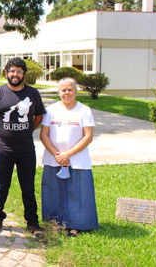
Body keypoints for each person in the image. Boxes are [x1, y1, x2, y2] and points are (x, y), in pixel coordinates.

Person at [0, 57, 46, 237]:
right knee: (2, 186)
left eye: (19, 71)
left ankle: (33, 223)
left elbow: (39, 118)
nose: (15, 74)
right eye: (12, 71)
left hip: (26, 149)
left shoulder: (33, 94)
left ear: (23, 74)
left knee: (28, 187)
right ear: (6, 73)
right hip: (3, 149)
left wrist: (27, 131)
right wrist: (0, 131)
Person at [39, 77, 99, 237]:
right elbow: (44, 134)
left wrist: (68, 154)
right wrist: (57, 154)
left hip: (78, 160)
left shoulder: (84, 110)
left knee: (77, 192)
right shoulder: (51, 110)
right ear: (59, 92)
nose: (67, 93)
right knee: (54, 191)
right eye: (63, 90)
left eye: (70, 89)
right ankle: (56, 222)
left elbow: (88, 137)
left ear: (76, 91)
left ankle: (75, 225)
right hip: (54, 159)